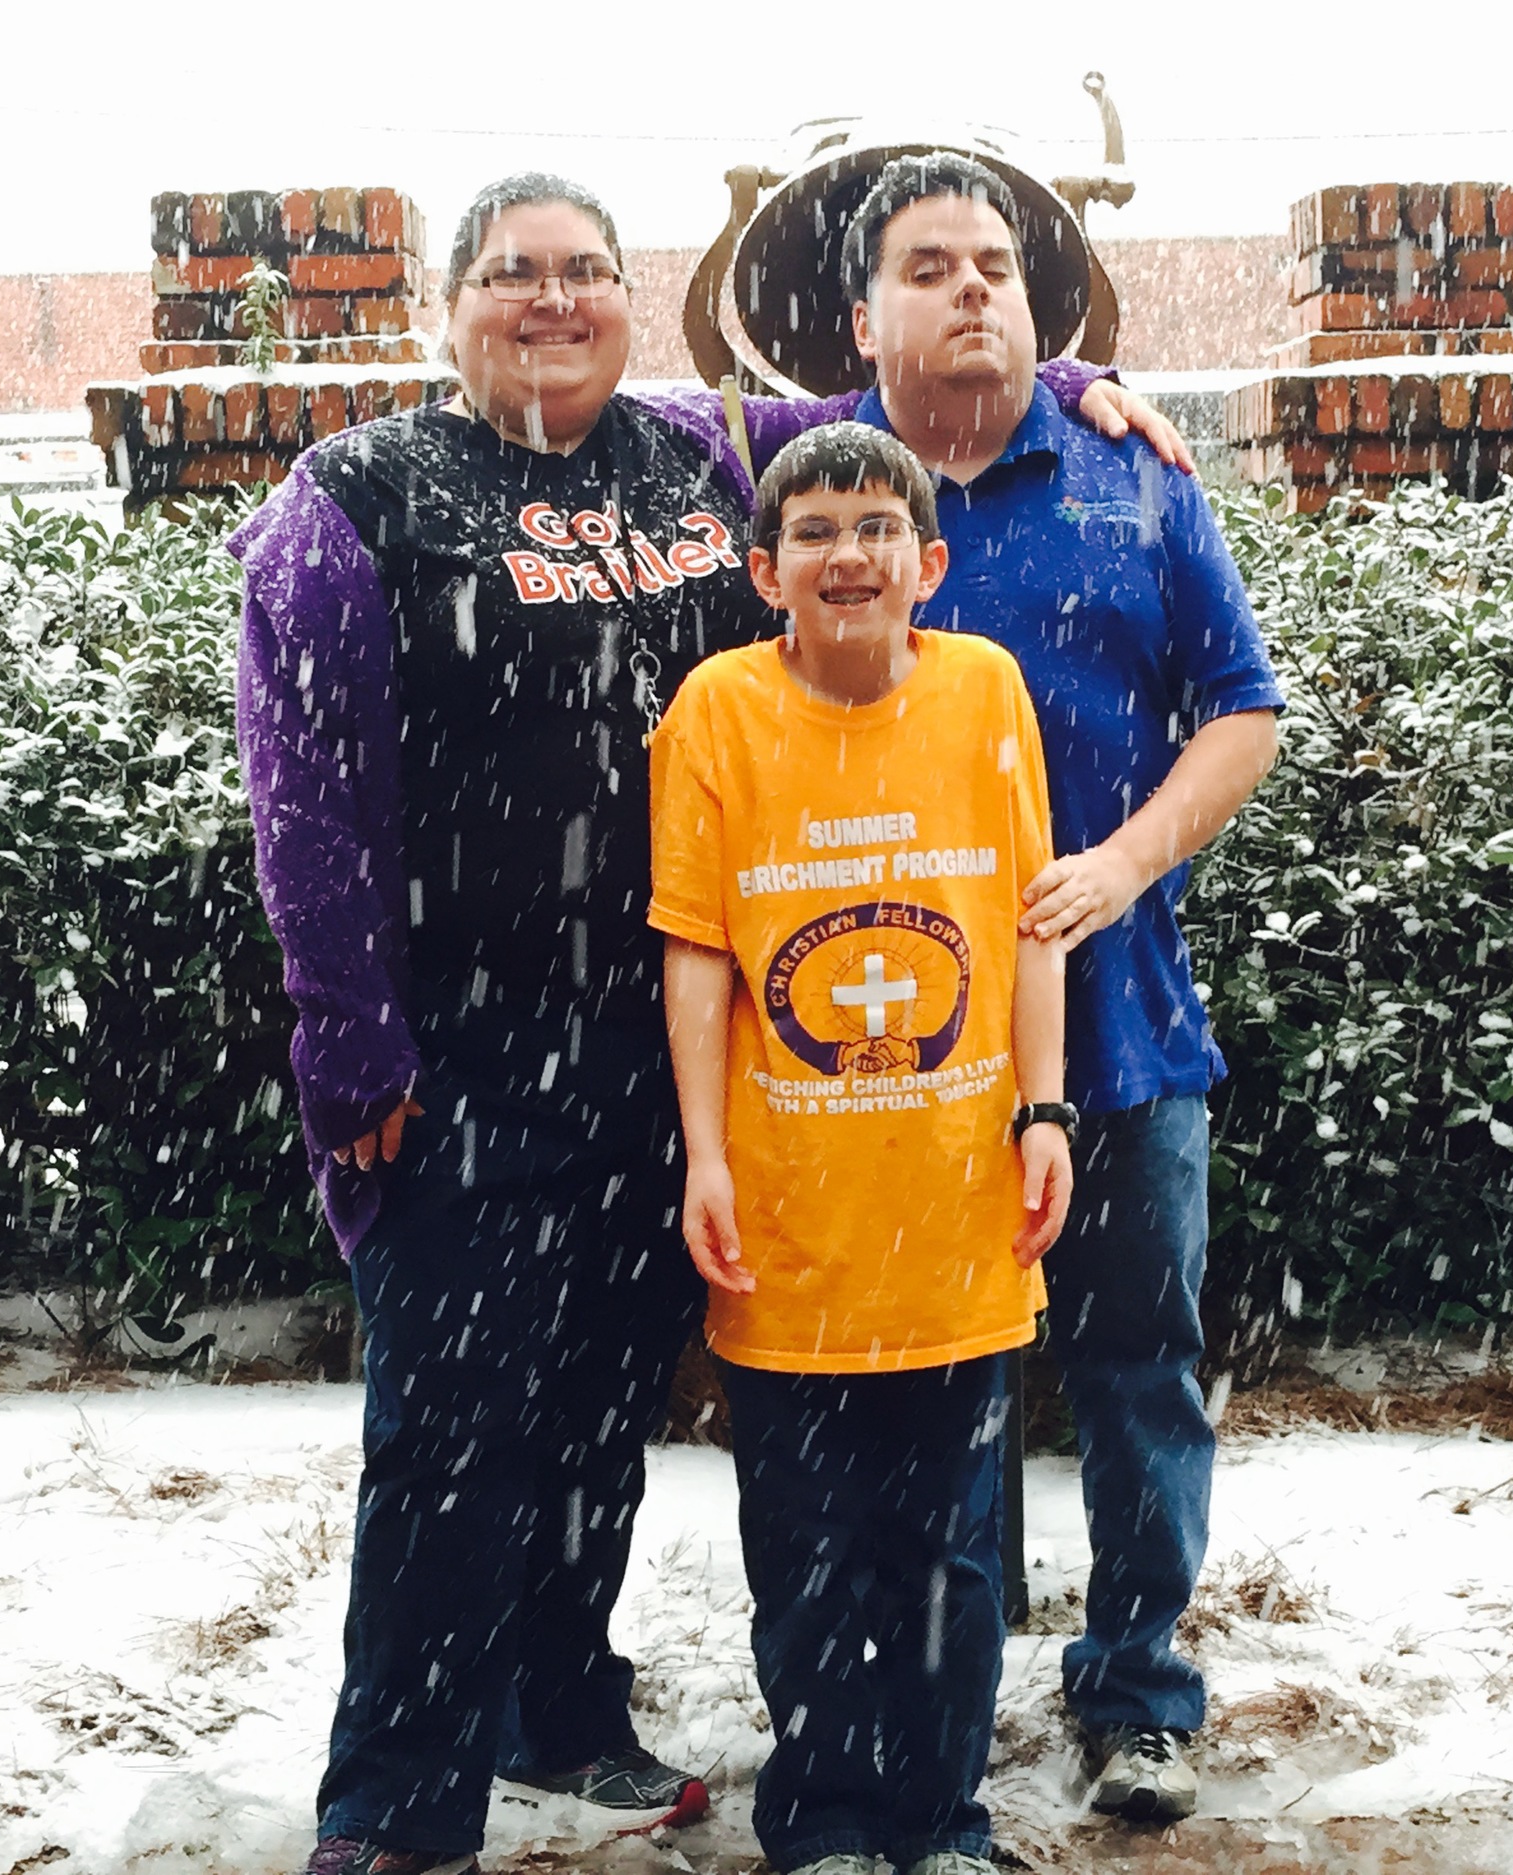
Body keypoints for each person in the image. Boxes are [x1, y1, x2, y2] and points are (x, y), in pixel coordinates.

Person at [233, 169, 1203, 1875]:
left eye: (588, 272)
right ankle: (395, 1811)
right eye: (514, 275)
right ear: (446, 305)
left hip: (679, 1058)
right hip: (461, 1055)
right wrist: (349, 1043)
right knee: (453, 1439)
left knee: (603, 1411)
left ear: (630, 298)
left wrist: (1060, 387)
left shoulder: (696, 452)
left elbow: (888, 418)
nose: (555, 302)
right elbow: (301, 795)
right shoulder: (362, 496)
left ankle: (560, 1706)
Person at [816, 153, 1287, 1823]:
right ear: (861, 314)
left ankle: (1140, 1691)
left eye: (996, 268)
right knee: (917, 1380)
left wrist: (1133, 860)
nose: (970, 291)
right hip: (893, 1055)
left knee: (1137, 1367)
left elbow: (1243, 708)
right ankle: (935, 1679)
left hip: (1123, 1030)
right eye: (928, 266)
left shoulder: (1132, 482)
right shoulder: (819, 488)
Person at [650, 422, 1073, 1875]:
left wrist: (1047, 1109)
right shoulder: (714, 712)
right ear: (764, 569)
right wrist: (705, 1155)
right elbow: (699, 954)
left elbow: (1029, 921)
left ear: (928, 564)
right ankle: (824, 1818)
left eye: (878, 527)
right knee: (810, 1549)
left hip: (959, 1211)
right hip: (788, 1216)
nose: (849, 553)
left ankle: (944, 1819)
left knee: (954, 1547)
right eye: (816, 531)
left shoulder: (985, 694)